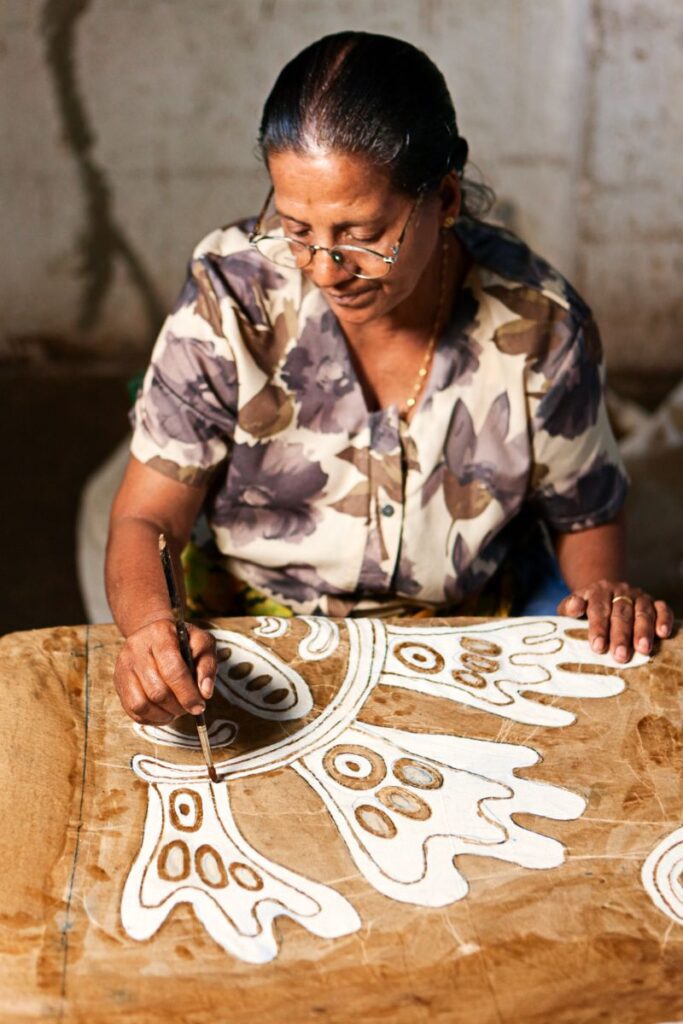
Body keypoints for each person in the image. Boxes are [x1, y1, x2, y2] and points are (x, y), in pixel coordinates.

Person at [106, 31, 673, 726]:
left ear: (445, 198)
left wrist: (604, 594)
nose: (323, 268)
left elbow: (584, 511)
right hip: (249, 637)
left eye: (360, 233)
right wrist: (150, 633)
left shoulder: (539, 327)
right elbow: (147, 514)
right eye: (295, 228)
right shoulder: (232, 295)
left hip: (460, 633)